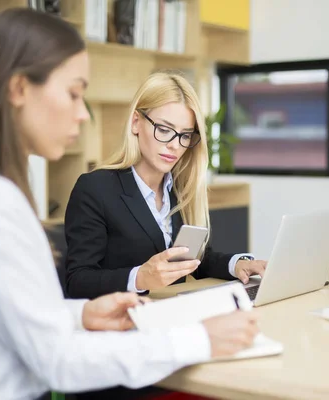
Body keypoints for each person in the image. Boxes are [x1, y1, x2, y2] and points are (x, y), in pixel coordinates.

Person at [0, 9, 258, 400]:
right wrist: (198, 339)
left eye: (185, 136)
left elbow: (16, 319)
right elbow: (58, 359)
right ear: (19, 89)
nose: (81, 113)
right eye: (73, 93)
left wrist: (80, 315)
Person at [64, 72, 266, 300]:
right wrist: (140, 277)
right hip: (124, 322)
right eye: (164, 130)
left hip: (172, 315)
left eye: (185, 135)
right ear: (136, 123)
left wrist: (236, 264)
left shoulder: (180, 187)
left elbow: (194, 260)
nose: (174, 146)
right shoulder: (96, 188)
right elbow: (78, 281)